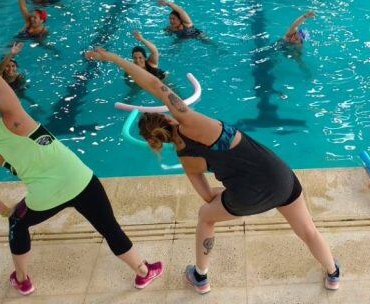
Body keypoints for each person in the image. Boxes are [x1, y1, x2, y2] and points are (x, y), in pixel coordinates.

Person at [83, 47, 341, 294]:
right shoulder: (190, 120)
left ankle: (201, 276)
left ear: (159, 141)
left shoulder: (186, 160)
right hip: (280, 176)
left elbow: (208, 198)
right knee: (308, 231)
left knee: (206, 216)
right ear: (168, 118)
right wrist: (113, 58)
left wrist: (222, 194)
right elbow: (154, 85)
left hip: (246, 198)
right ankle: (332, 273)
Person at [0, 32, 163, 296]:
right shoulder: (13, 117)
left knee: (18, 224)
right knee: (109, 228)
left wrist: (8, 212)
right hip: (80, 178)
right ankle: (144, 272)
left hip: (44, 198)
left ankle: (22, 279)